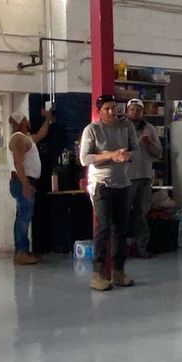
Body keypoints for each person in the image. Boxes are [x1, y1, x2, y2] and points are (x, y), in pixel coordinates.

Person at [78, 94, 138, 292]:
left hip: (123, 183)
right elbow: (85, 159)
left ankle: (118, 271)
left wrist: (126, 155)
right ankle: (97, 274)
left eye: (114, 108)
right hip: (101, 183)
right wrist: (111, 155)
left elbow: (137, 152)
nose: (112, 112)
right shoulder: (92, 130)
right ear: (99, 111)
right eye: (107, 109)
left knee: (121, 228)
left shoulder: (126, 127)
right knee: (104, 227)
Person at [8, 105, 52, 266]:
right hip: (22, 181)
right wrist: (25, 184)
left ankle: (23, 250)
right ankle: (21, 252)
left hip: (25, 181)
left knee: (23, 216)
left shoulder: (26, 138)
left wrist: (47, 118)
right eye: (26, 119)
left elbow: (41, 135)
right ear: (23, 122)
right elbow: (18, 163)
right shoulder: (18, 139)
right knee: (24, 218)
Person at [124, 99, 164, 259]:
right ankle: (122, 248)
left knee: (141, 214)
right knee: (123, 213)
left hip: (145, 177)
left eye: (138, 110)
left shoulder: (149, 129)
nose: (135, 112)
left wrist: (148, 144)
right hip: (126, 178)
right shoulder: (121, 127)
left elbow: (159, 153)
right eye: (132, 109)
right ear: (127, 111)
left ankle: (141, 248)